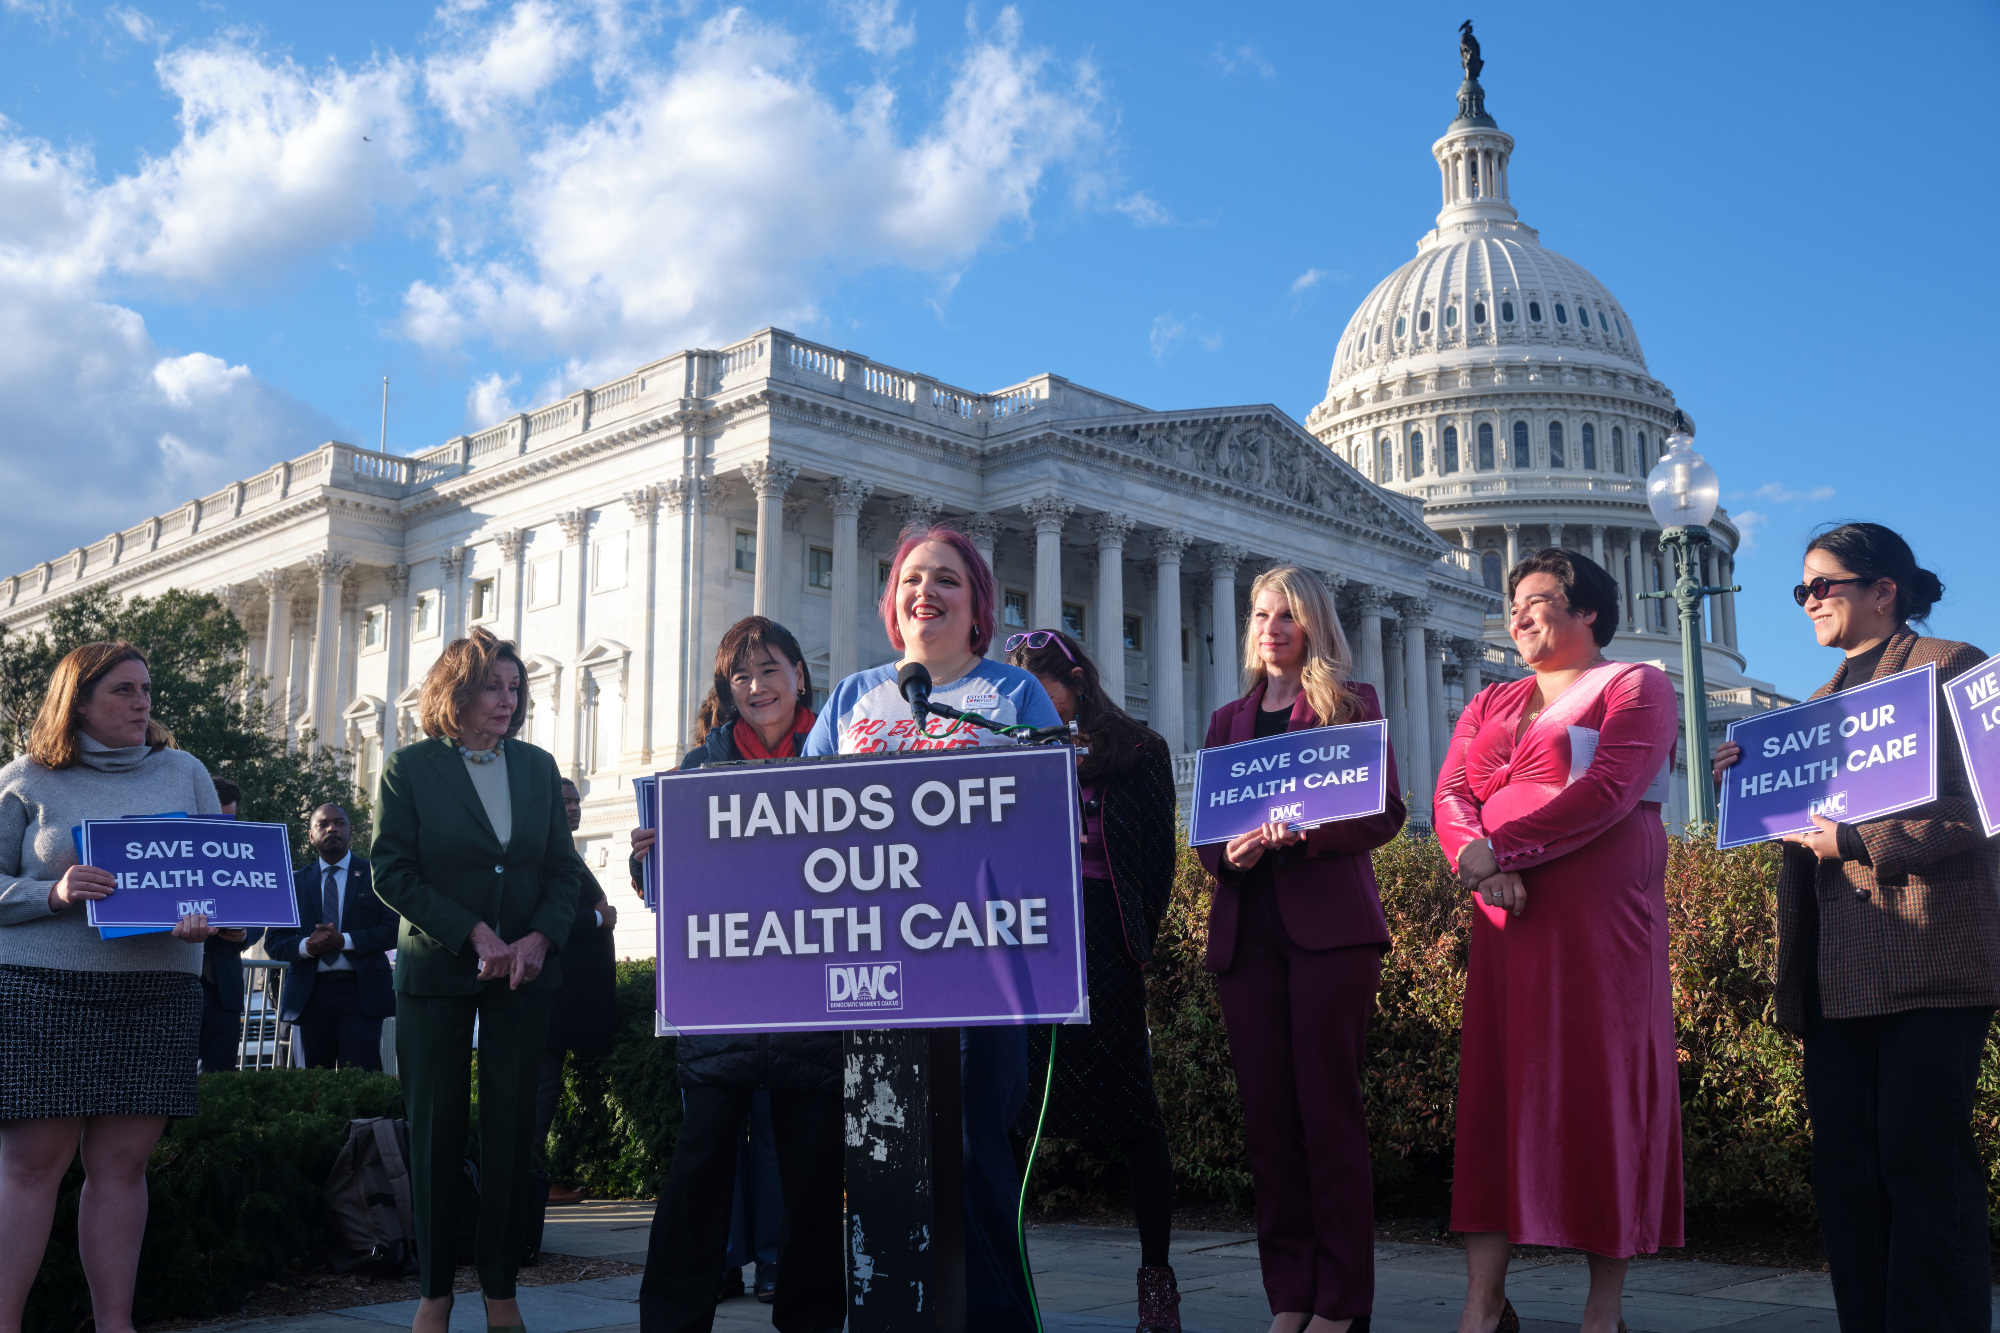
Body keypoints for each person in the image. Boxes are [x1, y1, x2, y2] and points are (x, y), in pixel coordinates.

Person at [1712, 523, 1998, 1328]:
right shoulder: (1811, 709)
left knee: (1923, 1165)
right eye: (1800, 589)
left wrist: (1863, 840)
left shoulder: (1951, 663)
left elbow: (1988, 800)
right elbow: (1805, 830)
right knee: (1846, 1176)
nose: (1808, 601)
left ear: (1883, 590)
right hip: (1832, 973)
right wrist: (1750, 790)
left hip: (1930, 959)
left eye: (1823, 585)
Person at [803, 525, 1063, 1333]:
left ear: (978, 603)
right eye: (912, 578)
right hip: (877, 961)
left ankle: (993, 1320)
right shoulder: (853, 697)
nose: (926, 591)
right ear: (893, 602)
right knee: (885, 1150)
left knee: (976, 1153)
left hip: (987, 964)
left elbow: (1049, 816)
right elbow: (798, 816)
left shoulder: (1016, 696)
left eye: (946, 578)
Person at [1433, 548, 1680, 1333]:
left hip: (1601, 922)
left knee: (1603, 1091)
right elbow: (1452, 794)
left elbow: (1610, 790)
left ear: (1588, 611)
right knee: (1495, 1096)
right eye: (1513, 604)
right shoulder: (1490, 699)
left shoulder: (1635, 685)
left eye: (1537, 600)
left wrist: (1505, 850)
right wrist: (1481, 866)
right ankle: (1483, 1303)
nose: (1518, 615)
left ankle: (1603, 1311)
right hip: (1507, 920)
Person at [1195, 567, 1406, 1333]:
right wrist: (1232, 853)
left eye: (1286, 615)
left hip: (1330, 934)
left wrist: (1306, 831)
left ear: (1314, 624)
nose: (1271, 628)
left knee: (1328, 1116)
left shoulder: (1351, 705)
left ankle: (1343, 1302)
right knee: (1268, 1125)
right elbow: (1208, 836)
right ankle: (1290, 1294)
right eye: (1260, 615)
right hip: (1246, 932)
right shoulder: (1227, 720)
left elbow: (1385, 811)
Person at [0, 641, 225, 1332]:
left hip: (157, 992)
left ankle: (115, 1326)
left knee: (123, 1168)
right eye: (124, 690)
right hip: (44, 990)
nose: (142, 702)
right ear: (77, 702)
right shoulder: (24, 778)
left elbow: (221, 880)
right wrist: (53, 891)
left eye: (146, 689)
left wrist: (207, 917)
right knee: (31, 1167)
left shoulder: (186, 771)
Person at [370, 626, 582, 1333]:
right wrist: (474, 933)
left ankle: (501, 1290)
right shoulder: (409, 768)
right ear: (454, 691)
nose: (507, 699)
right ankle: (434, 1292)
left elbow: (562, 871)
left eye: (515, 687)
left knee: (511, 1131)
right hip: (437, 971)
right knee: (435, 1131)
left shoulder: (538, 767)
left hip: (524, 974)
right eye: (492, 686)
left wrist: (540, 937)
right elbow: (392, 872)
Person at [634, 615, 843, 1333]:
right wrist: (645, 857)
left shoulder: (839, 755)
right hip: (721, 1006)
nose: (757, 687)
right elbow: (669, 889)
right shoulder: (699, 768)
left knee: (814, 1177)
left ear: (800, 676)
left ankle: (812, 1319)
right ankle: (671, 1320)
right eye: (741, 676)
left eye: (770, 669)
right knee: (697, 1171)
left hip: (812, 1003)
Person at [1004, 628, 1182, 1331]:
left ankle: (1157, 1283)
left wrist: (1137, 940)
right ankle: (1003, 1277)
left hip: (1104, 938)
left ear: (1076, 682)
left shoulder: (1140, 749)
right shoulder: (1006, 746)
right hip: (1026, 939)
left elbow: (1158, 865)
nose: (1026, 702)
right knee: (1009, 1108)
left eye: (1039, 688)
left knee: (1135, 1110)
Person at [266, 804, 398, 1071]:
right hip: (309, 994)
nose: (331, 829)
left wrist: (344, 941)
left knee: (360, 1079)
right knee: (312, 1082)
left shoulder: (376, 877)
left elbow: (393, 929)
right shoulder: (294, 883)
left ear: (351, 831)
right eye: (322, 824)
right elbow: (274, 941)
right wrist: (307, 946)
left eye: (339, 823)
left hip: (361, 993)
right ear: (310, 836)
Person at [537, 777, 618, 1207]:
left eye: (576, 801)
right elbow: (551, 916)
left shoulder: (563, 849)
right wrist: (600, 918)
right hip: (551, 996)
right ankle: (535, 1181)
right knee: (542, 1091)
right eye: (564, 801)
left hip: (568, 999)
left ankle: (538, 1178)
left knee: (547, 1090)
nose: (573, 808)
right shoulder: (541, 851)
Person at [195, 775, 263, 1072]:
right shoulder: (169, 854)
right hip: (178, 984)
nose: (220, 827)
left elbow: (262, 913)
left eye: (227, 819)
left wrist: (245, 933)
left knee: (220, 1080)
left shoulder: (246, 858)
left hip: (225, 992)